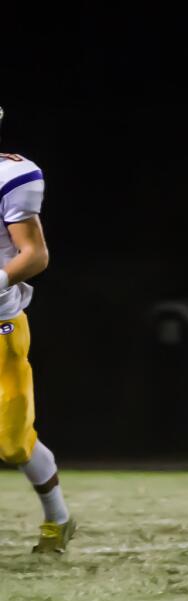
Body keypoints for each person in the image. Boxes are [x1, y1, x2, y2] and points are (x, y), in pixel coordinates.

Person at [0, 107, 74, 554]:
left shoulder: (12, 175)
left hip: (0, 320)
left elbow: (34, 255)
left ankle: (58, 518)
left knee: (11, 443)